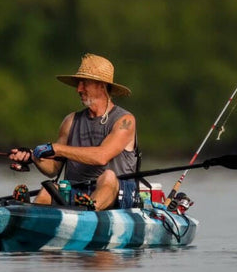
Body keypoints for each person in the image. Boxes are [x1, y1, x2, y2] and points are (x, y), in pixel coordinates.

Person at [9, 53, 139, 211]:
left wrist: (58, 148)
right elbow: (53, 169)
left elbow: (101, 157)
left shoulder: (125, 120)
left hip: (117, 196)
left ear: (101, 85)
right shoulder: (70, 121)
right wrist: (34, 156)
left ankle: (88, 213)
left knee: (108, 177)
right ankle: (29, 216)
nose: (78, 89)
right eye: (78, 83)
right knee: (48, 190)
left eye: (84, 83)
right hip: (75, 192)